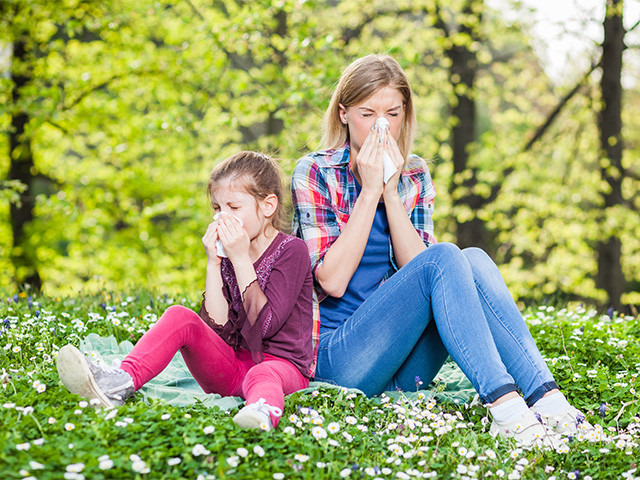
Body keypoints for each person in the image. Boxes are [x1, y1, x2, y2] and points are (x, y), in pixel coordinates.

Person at [291, 54, 592, 446]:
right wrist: (368, 192)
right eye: (367, 114)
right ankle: (504, 406)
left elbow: (429, 274)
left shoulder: (413, 172)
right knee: (448, 255)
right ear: (344, 114)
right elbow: (330, 280)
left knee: (473, 260)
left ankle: (548, 400)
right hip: (339, 360)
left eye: (392, 113)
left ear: (405, 115)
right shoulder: (315, 172)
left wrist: (391, 191)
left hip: (401, 364)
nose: (381, 126)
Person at [57, 151, 315, 431]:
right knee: (180, 315)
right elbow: (216, 330)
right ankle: (119, 382)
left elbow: (265, 326)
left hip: (282, 370)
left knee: (263, 373)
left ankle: (261, 412)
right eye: (217, 209)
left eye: (234, 207)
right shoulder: (228, 254)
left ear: (268, 206)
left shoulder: (291, 250)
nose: (222, 218)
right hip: (232, 372)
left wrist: (240, 258)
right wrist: (213, 262)